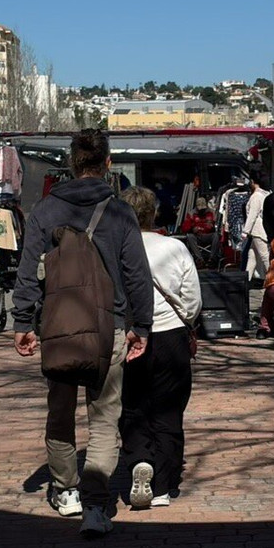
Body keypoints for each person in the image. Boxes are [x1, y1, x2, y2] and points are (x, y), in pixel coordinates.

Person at [11, 129, 154, 538]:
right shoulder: (120, 213)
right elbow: (137, 274)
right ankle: (95, 503)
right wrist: (141, 326)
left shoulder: (45, 210)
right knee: (105, 417)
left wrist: (23, 322)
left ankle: (65, 489)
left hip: (58, 327)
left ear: (72, 163)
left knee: (60, 413)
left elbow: (27, 271)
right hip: (110, 327)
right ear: (108, 163)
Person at [120, 187, 201, 509]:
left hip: (129, 335)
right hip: (170, 334)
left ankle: (140, 458)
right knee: (169, 409)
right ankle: (163, 486)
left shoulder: (116, 247)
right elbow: (192, 298)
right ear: (153, 213)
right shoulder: (174, 247)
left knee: (132, 404)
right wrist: (187, 320)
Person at [242, 170, 271, 282]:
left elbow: (252, 215)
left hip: (257, 230)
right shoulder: (266, 193)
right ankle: (247, 280)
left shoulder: (256, 196)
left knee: (265, 257)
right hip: (261, 230)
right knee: (252, 255)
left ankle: (273, 280)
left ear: (253, 182)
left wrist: (245, 231)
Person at [180, 196, 216, 265]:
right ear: (196, 207)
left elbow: (214, 225)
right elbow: (184, 228)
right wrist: (192, 229)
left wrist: (212, 226)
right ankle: (199, 259)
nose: (201, 211)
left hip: (208, 235)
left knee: (216, 235)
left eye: (203, 209)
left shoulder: (211, 213)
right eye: (200, 209)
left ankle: (212, 259)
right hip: (197, 236)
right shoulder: (191, 214)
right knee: (190, 236)